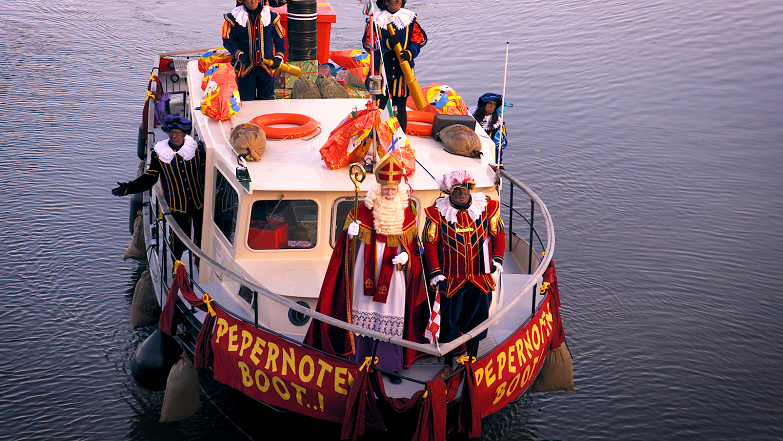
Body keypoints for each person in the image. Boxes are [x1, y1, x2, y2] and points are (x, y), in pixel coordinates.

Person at [304, 154, 429, 378]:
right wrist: (349, 236)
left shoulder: (407, 215)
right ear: (378, 187)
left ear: (398, 187)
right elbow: (344, 251)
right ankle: (360, 360)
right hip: (365, 273)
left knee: (392, 315)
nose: (389, 193)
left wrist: (407, 259)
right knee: (364, 312)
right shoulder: (359, 212)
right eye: (385, 188)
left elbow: (413, 249)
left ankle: (389, 365)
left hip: (395, 276)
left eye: (392, 188)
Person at [422, 169, 506, 379]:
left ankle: (472, 359)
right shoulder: (436, 213)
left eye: (466, 190)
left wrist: (497, 258)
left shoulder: (487, 208)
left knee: (477, 321)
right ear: (449, 191)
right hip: (451, 280)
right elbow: (430, 245)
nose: (462, 194)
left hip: (479, 278)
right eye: (458, 190)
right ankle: (449, 363)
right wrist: (436, 273)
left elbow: (498, 234)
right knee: (449, 325)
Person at [112, 116, 206, 260]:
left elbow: (205, 171)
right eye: (172, 132)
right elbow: (150, 178)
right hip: (176, 205)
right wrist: (128, 187)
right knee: (178, 240)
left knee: (202, 237)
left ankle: (200, 262)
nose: (175, 136)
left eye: (178, 133)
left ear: (184, 134)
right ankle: (177, 268)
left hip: (198, 202)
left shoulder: (196, 149)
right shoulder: (160, 154)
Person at [362, 0, 427, 132]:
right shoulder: (374, 20)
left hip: (403, 72)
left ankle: (400, 141)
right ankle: (378, 140)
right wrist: (386, 44)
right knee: (379, 107)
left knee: (400, 106)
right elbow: (368, 45)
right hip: (380, 71)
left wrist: (409, 53)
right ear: (385, 1)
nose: (398, 0)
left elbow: (419, 40)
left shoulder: (410, 18)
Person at [222, 0, 286, 101]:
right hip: (245, 70)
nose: (252, 1)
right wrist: (239, 54)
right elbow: (227, 41)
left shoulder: (272, 17)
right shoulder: (234, 18)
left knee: (267, 103)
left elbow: (280, 40)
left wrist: (278, 57)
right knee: (246, 103)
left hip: (267, 70)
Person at [469, 93, 507, 165]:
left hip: (486, 154)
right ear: (484, 104)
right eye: (490, 103)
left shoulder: (497, 123)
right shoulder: (471, 115)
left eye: (494, 104)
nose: (492, 106)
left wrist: (498, 162)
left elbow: (498, 145)